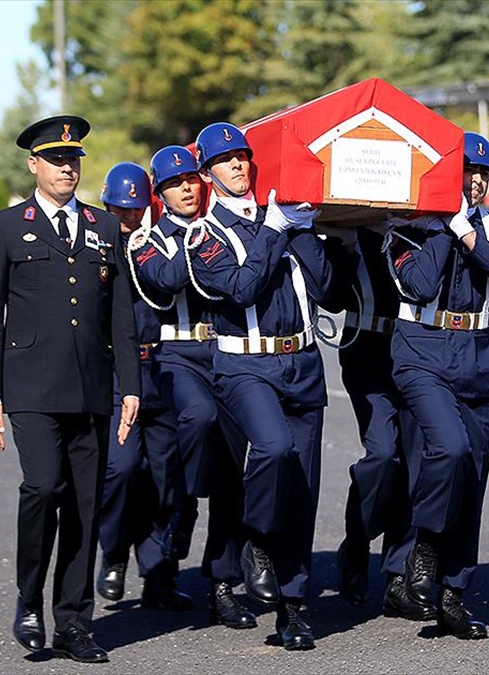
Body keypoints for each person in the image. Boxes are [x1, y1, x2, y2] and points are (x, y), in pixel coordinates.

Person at [0, 115, 139, 663]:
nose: (67, 168)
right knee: (44, 488)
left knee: (86, 509)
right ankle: (28, 600)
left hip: (91, 387)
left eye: (73, 160)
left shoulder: (103, 226)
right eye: (56, 160)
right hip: (30, 389)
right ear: (34, 165)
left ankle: (73, 621)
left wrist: (130, 386)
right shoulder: (4, 227)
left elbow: (120, 314)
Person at [186, 122, 331, 650]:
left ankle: (293, 608)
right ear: (206, 174)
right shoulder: (203, 236)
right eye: (226, 161)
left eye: (244, 157)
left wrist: (306, 231)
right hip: (244, 367)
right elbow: (243, 288)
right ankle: (256, 539)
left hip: (304, 363)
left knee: (304, 489)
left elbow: (329, 292)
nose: (239, 166)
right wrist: (274, 229)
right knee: (271, 450)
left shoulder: (285, 222)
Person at [386, 131, 489, 640]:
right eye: (467, 172)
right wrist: (446, 230)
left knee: (474, 478)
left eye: (483, 174)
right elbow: (418, 285)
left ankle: (453, 595)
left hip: (477, 355)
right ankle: (424, 543)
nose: (476, 182)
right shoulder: (410, 226)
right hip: (421, 349)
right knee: (449, 451)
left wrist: (469, 234)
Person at [128, 144, 257, 629]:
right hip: (177, 355)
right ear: (159, 195)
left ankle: (221, 585)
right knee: (198, 417)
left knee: (231, 474)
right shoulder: (146, 239)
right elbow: (160, 279)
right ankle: (180, 508)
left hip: (225, 352)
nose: (186, 189)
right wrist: (204, 246)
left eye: (191, 181)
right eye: (173, 184)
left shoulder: (223, 230)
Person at [94, 162, 192, 613]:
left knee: (166, 477)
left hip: (163, 364)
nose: (128, 219)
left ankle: (159, 574)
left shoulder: (156, 245)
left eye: (135, 210)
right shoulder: (95, 249)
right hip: (118, 372)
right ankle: (113, 551)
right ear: (106, 205)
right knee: (121, 467)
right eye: (120, 210)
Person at [321, 222, 427, 617]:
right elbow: (329, 296)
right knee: (383, 455)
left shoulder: (416, 228)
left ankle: (398, 576)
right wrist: (344, 246)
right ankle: (357, 540)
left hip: (416, 347)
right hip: (366, 349)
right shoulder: (347, 231)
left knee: (415, 463)